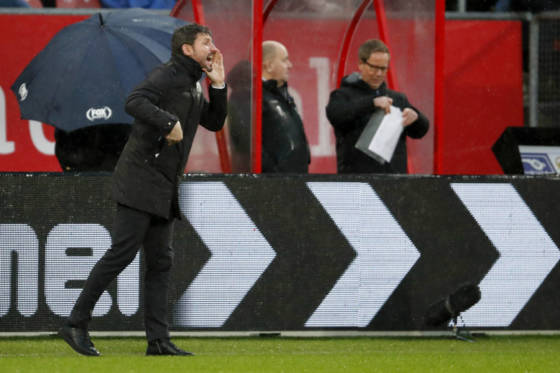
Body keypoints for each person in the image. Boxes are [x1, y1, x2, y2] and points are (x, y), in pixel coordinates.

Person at [58, 23, 227, 357]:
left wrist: (219, 85)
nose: (213, 47)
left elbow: (215, 122)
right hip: (140, 178)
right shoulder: (168, 75)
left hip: (163, 181)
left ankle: (158, 340)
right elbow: (134, 101)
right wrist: (168, 122)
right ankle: (75, 322)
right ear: (187, 50)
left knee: (161, 261)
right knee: (122, 253)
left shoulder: (193, 83)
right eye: (206, 42)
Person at [326, 39, 429, 174]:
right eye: (374, 67)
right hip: (357, 180)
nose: (379, 74)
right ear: (361, 64)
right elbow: (336, 115)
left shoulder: (398, 99)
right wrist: (372, 103)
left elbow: (420, 131)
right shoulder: (342, 95)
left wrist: (417, 118)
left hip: (393, 181)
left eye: (383, 68)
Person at [262, 40, 310, 173]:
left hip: (294, 178)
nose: (290, 65)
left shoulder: (280, 93)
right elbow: (249, 146)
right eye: (284, 60)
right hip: (276, 183)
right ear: (269, 65)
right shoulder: (255, 96)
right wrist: (274, 173)